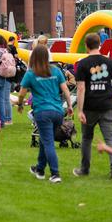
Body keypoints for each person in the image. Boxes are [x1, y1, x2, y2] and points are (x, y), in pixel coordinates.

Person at [16, 45, 72, 183]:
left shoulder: (31, 74)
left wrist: (20, 104)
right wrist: (70, 105)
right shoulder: (56, 71)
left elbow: (22, 93)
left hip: (42, 112)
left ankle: (55, 173)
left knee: (48, 142)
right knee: (44, 140)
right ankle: (39, 169)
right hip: (58, 111)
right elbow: (65, 89)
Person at [73, 32, 112, 180]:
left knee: (87, 138)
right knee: (110, 139)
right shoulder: (109, 62)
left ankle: (84, 169)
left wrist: (80, 110)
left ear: (87, 46)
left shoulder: (82, 64)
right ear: (100, 43)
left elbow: (81, 89)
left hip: (89, 107)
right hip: (106, 105)